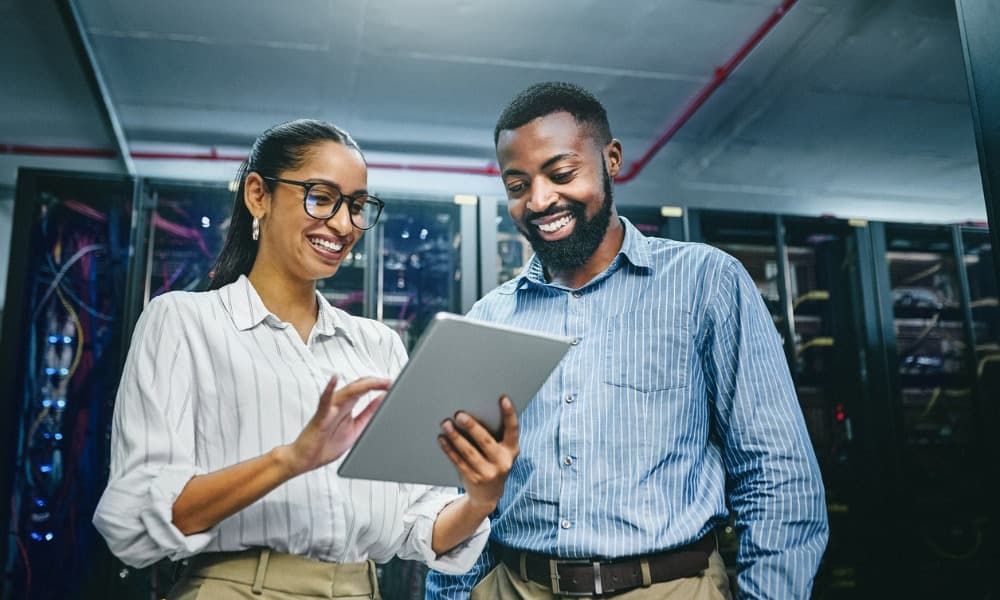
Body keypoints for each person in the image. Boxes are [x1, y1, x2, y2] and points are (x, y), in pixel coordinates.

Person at [425, 82, 828, 599]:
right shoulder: (492, 316)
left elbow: (776, 475)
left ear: (611, 159)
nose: (540, 199)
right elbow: (466, 489)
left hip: (666, 587)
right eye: (517, 184)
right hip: (513, 586)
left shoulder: (706, 283)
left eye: (561, 173)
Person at [93, 119, 520, 599]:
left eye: (358, 206)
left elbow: (417, 525)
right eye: (322, 197)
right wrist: (290, 460)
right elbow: (132, 521)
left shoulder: (378, 345)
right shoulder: (185, 323)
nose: (343, 225)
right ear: (259, 195)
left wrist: (483, 498)